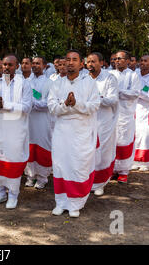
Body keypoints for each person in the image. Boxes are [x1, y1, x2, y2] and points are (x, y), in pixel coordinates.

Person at [48, 50, 100, 218]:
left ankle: (76, 203)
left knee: (78, 166)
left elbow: (94, 106)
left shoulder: (89, 83)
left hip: (81, 131)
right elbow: (52, 107)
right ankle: (61, 202)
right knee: (60, 166)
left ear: (81, 64)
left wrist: (76, 104)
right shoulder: (56, 84)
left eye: (74, 60)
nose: (70, 63)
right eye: (67, 60)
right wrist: (65, 105)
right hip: (62, 131)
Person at [0, 55, 32, 209]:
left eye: (10, 65)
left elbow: (27, 107)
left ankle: (13, 195)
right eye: (4, 65)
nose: (6, 67)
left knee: (12, 161)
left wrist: (7, 105)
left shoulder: (24, 84)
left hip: (16, 130)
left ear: (17, 66)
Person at [87, 52, 119, 196]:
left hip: (103, 121)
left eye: (93, 62)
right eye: (88, 62)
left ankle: (100, 183)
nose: (90, 64)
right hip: (87, 121)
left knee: (103, 152)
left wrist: (96, 99)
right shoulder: (83, 78)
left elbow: (113, 99)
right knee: (88, 151)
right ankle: (87, 181)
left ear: (101, 63)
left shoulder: (109, 78)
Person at [109, 50, 141, 183]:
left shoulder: (133, 75)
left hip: (125, 115)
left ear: (128, 61)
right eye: (116, 59)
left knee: (124, 142)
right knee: (111, 143)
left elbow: (135, 93)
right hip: (110, 114)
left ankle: (123, 171)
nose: (117, 61)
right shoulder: (109, 74)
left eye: (120, 59)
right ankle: (111, 169)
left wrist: (119, 92)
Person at [24, 56, 53, 189]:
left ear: (44, 65)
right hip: (29, 120)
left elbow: (47, 103)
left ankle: (42, 177)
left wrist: (32, 102)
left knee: (42, 147)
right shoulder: (26, 82)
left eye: (38, 63)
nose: (35, 65)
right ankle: (30, 175)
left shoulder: (49, 83)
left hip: (42, 120)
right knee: (29, 147)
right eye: (33, 63)